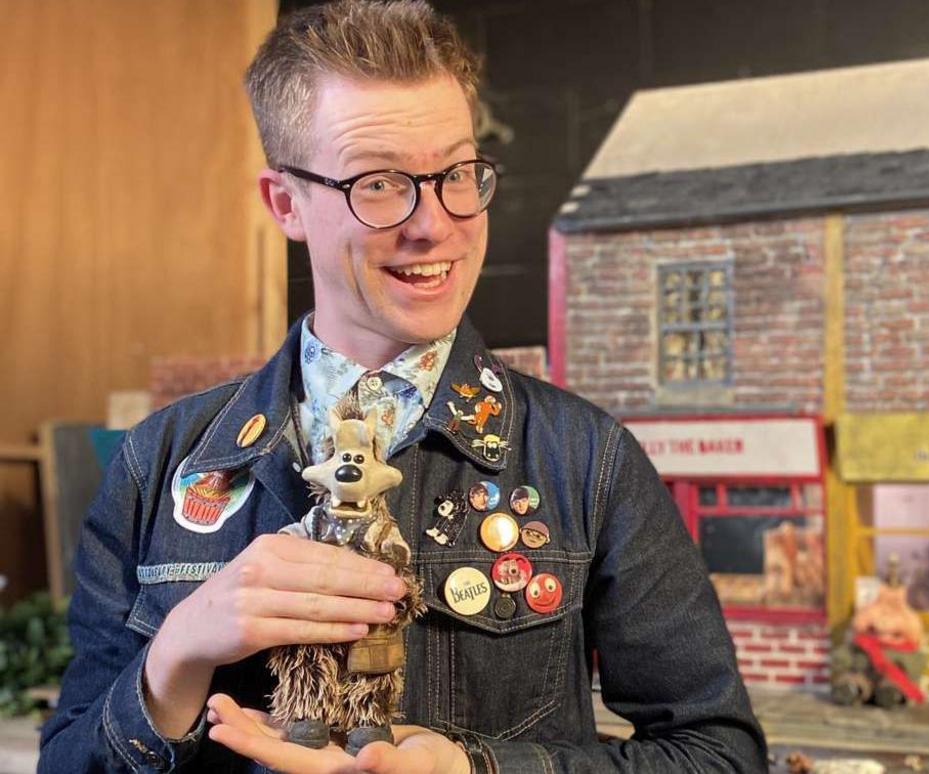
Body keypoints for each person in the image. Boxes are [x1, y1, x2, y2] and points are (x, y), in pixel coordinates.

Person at [37, 2, 766, 772]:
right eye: (380, 184)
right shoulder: (161, 464)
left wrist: (474, 769)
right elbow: (68, 759)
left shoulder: (588, 460)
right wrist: (176, 657)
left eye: (456, 173)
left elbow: (719, 755)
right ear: (286, 202)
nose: (435, 223)